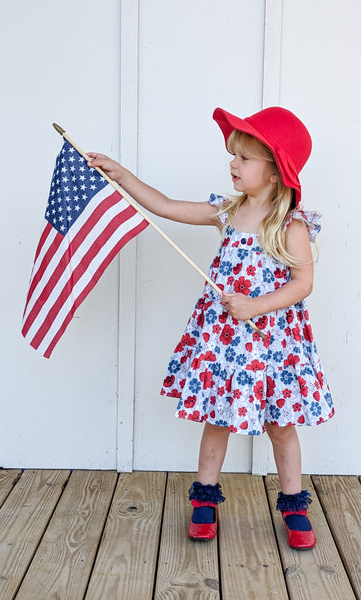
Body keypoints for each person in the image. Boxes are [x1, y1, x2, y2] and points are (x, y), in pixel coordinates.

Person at [88, 106, 334, 549]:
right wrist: (119, 173)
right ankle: (205, 502)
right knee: (217, 418)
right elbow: (164, 206)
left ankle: (295, 505)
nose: (232, 165)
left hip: (273, 343)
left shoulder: (291, 225)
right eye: (233, 155)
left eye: (244, 158)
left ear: (276, 171)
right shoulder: (228, 211)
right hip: (224, 339)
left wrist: (256, 305)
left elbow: (303, 283)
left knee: (281, 425)